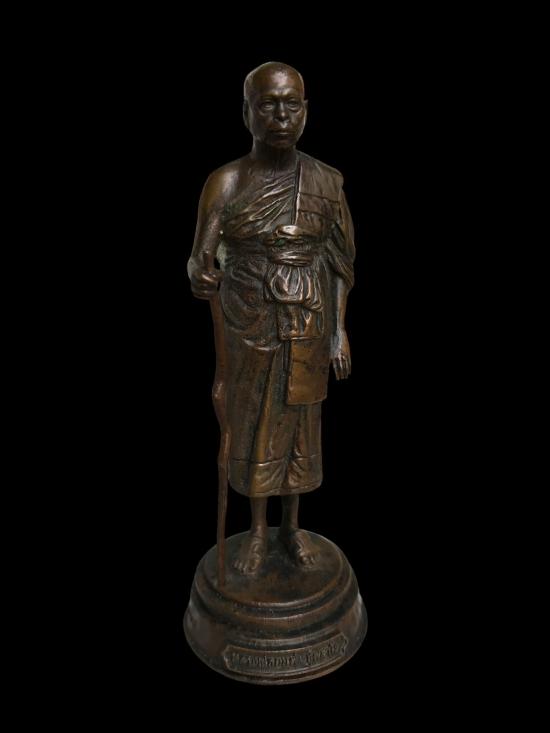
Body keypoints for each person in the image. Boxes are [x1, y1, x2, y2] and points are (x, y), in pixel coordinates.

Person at [188, 62, 355, 575]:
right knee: (254, 424)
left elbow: (339, 261)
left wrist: (339, 332)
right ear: (247, 113)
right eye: (268, 105)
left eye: (291, 105)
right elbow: (201, 256)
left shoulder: (326, 181)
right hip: (250, 323)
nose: (281, 116)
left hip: (308, 320)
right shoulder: (227, 182)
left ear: (306, 112)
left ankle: (292, 526)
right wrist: (201, 275)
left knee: (301, 425)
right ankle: (258, 530)